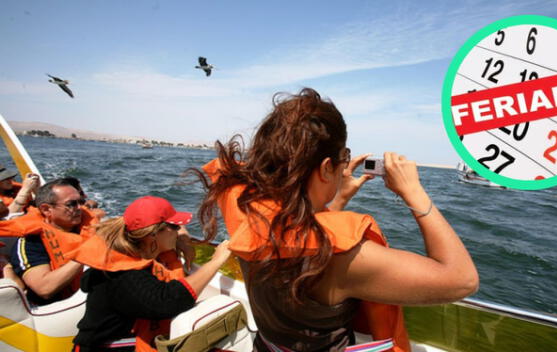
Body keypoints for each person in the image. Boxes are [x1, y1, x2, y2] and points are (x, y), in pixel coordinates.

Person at [197, 88, 479, 351]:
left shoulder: (241, 205)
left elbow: (293, 225)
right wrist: (414, 193)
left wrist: (337, 198)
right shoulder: (340, 258)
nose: (347, 163)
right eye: (344, 156)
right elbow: (462, 280)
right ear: (326, 167)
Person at [72, 196, 232, 352]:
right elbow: (168, 302)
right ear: (153, 234)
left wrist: (182, 239)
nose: (178, 231)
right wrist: (216, 262)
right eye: (175, 227)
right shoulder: (123, 275)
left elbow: (176, 228)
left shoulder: (137, 246)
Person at [2, 178, 98, 305]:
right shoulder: (30, 243)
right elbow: (44, 288)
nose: (80, 208)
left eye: (81, 201)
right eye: (71, 204)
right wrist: (86, 252)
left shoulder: (91, 229)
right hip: (60, 308)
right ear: (46, 209)